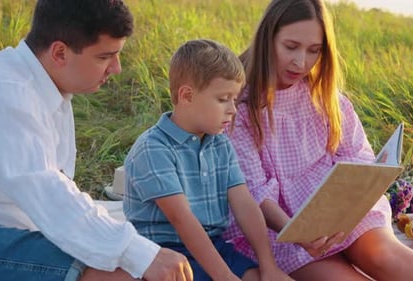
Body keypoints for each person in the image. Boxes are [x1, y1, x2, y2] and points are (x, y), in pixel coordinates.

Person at [0, 1, 193, 280]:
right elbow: (49, 193)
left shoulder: (45, 90)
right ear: (60, 52)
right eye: (104, 57)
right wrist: (138, 253)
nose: (117, 68)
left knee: (125, 252)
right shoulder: (2, 93)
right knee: (127, 271)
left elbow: (59, 193)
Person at [222, 0, 413, 280]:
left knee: (387, 257)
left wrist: (348, 205)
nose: (301, 62)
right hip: (282, 229)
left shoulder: (325, 97)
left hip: (343, 213)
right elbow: (253, 192)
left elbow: (358, 157)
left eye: (314, 51)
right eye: (290, 47)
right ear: (268, 39)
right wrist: (299, 232)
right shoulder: (238, 107)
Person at [123, 39, 293, 281]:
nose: (233, 109)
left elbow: (244, 204)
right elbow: (181, 219)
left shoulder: (221, 143)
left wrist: (268, 266)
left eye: (234, 99)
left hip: (216, 245)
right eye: (223, 99)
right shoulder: (153, 149)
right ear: (186, 96)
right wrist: (224, 276)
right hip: (165, 253)